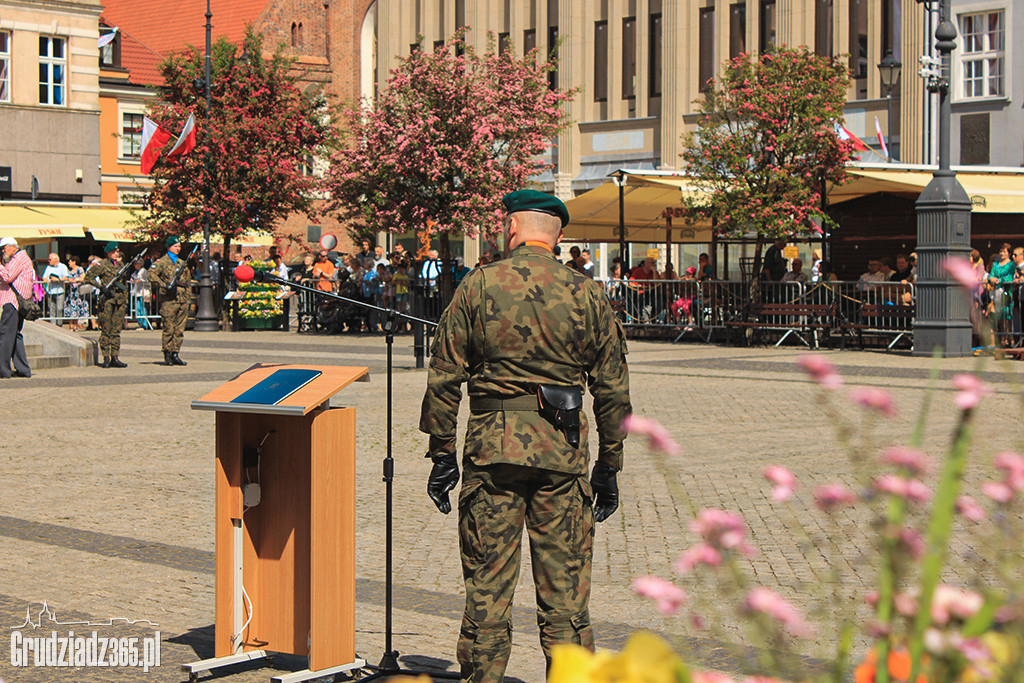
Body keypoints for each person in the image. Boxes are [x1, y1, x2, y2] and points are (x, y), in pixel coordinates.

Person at [419, 189, 631, 683]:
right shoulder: (587, 293)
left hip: (493, 451)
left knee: (488, 584)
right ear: (557, 237)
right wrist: (610, 464)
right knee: (565, 589)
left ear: (512, 228)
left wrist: (442, 454)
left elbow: (444, 376)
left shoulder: (478, 286)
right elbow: (613, 389)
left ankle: (483, 677)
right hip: (563, 454)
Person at [82, 242, 129, 368]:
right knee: (106, 329)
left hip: (119, 301)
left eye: (117, 251)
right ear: (108, 253)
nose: (116, 254)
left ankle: (115, 356)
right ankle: (106, 357)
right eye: (113, 252)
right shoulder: (101, 264)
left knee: (116, 330)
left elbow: (124, 284)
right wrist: (101, 287)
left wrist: (126, 300)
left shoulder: (121, 265)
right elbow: (88, 277)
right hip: (107, 301)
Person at [148, 237, 192, 366]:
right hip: (168, 300)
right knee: (169, 328)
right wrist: (164, 284)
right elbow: (151, 275)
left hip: (181, 299)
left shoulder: (181, 263)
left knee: (179, 329)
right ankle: (167, 354)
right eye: (175, 246)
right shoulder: (161, 262)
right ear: (168, 247)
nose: (178, 248)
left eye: (179, 246)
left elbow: (187, 282)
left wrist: (187, 298)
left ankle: (175, 353)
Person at [0, 237, 34, 378]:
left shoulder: (19, 259)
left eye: (4, 248)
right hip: (17, 302)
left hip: (12, 302)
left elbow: (7, 277)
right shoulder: (20, 258)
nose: (3, 251)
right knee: (15, 336)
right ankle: (23, 369)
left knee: (6, 335)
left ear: (13, 246)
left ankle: (3, 370)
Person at [42, 252, 69, 325]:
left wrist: (58, 279)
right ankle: (52, 325)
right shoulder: (48, 267)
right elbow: (44, 276)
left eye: (50, 259)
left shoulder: (62, 266)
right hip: (50, 291)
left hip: (59, 291)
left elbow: (66, 277)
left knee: (59, 308)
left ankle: (59, 324)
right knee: (51, 309)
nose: (48, 261)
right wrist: (45, 279)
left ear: (55, 259)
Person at [64, 255, 88, 332]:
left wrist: (76, 280)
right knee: (70, 308)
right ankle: (70, 325)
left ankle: (75, 325)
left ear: (74, 262)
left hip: (77, 292)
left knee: (76, 308)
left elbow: (83, 277)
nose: (69, 263)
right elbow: (67, 277)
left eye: (70, 261)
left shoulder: (79, 269)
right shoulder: (69, 270)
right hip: (70, 292)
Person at [130, 257, 152, 330]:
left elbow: (147, 281)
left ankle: (144, 324)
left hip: (143, 292)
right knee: (138, 309)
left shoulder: (144, 271)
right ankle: (140, 323)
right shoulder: (135, 272)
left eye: (137, 264)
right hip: (137, 292)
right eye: (134, 264)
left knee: (143, 308)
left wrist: (141, 280)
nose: (135, 265)